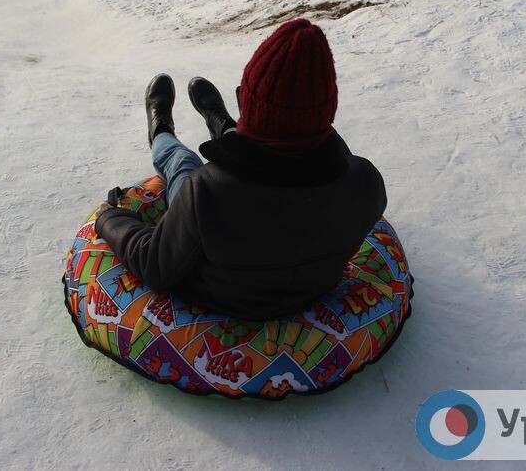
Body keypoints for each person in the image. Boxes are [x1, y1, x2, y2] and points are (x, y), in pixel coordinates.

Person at [95, 19, 387, 321]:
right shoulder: (366, 182)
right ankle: (222, 124)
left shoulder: (206, 191)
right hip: (312, 290)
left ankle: (161, 132)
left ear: (246, 101)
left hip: (223, 301)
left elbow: (154, 265)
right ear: (327, 111)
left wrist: (110, 218)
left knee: (181, 162)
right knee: (250, 151)